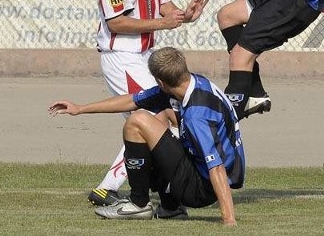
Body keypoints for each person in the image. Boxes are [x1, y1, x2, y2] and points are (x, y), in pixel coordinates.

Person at [91, 0, 209, 206]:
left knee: (162, 117)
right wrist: (163, 23)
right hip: (121, 56)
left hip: (147, 54)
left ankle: (134, 186)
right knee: (154, 117)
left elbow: (166, 4)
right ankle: (111, 187)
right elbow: (116, 22)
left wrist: (185, 15)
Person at [48, 47, 243, 225]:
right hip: (203, 174)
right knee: (160, 117)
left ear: (160, 81)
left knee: (137, 122)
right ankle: (171, 208)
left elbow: (216, 166)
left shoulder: (196, 114)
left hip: (201, 189)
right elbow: (133, 100)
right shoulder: (193, 83)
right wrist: (80, 109)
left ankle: (138, 204)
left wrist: (229, 219)